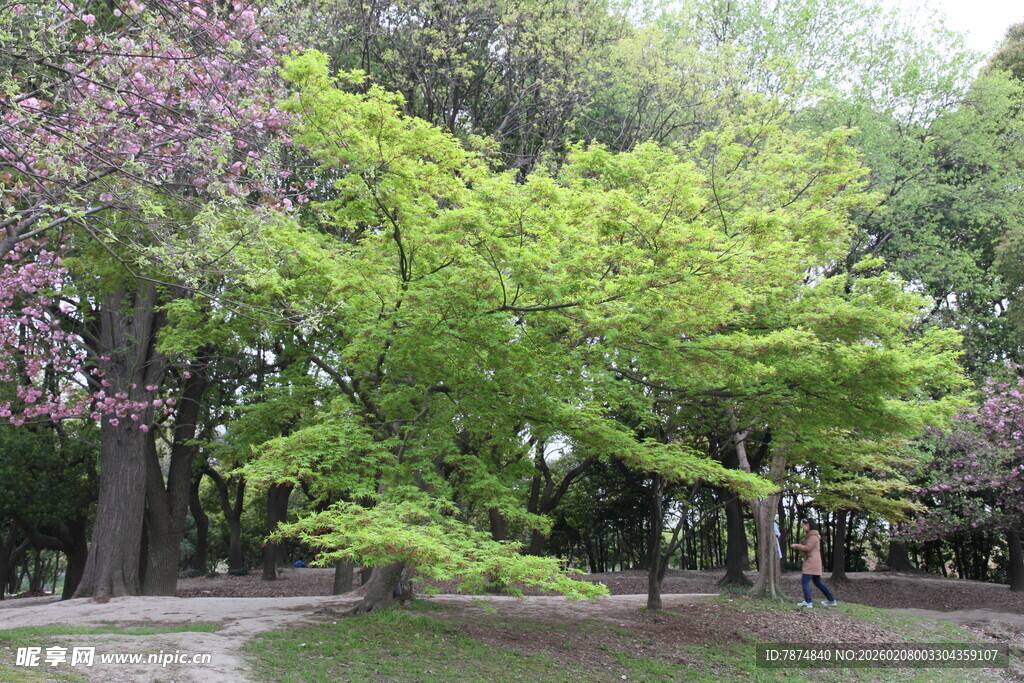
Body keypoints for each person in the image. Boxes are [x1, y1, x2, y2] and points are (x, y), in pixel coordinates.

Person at [790, 518, 837, 608]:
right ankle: (831, 600)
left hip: (812, 562)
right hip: (815, 561)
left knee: (805, 581)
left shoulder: (813, 537)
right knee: (818, 582)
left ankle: (808, 601)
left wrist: (797, 546)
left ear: (808, 525)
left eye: (803, 526)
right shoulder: (813, 536)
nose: (803, 528)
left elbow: (808, 548)